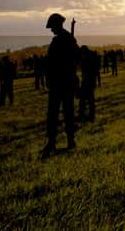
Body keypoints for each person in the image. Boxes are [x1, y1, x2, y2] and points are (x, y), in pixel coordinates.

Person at [41, 13, 79, 159]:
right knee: (53, 114)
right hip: (58, 82)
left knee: (66, 113)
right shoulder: (64, 39)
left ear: (58, 25)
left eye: (52, 27)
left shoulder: (67, 39)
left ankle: (70, 141)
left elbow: (75, 58)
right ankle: (52, 142)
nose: (51, 30)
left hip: (65, 81)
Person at [78, 45, 97, 122]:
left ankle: (87, 115)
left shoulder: (88, 58)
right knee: (89, 99)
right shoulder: (91, 57)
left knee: (87, 99)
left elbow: (87, 70)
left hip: (88, 81)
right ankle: (88, 114)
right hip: (89, 80)